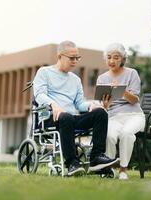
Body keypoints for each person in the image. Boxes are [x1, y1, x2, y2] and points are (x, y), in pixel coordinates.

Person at [33, 41, 118, 176]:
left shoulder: (76, 79)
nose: (75, 61)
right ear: (60, 56)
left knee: (101, 113)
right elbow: (39, 95)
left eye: (77, 58)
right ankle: (72, 162)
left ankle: (96, 158)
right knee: (65, 116)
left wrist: (91, 105)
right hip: (50, 117)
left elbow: (79, 104)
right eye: (72, 58)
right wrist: (54, 105)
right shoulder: (44, 72)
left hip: (71, 118)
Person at [97, 43, 145, 180]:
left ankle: (123, 169)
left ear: (123, 59)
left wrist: (121, 90)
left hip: (134, 115)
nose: (112, 61)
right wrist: (105, 104)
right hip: (113, 116)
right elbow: (104, 106)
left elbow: (134, 100)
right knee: (109, 136)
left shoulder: (132, 73)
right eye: (109, 57)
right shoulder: (102, 78)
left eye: (116, 57)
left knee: (126, 133)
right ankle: (109, 169)